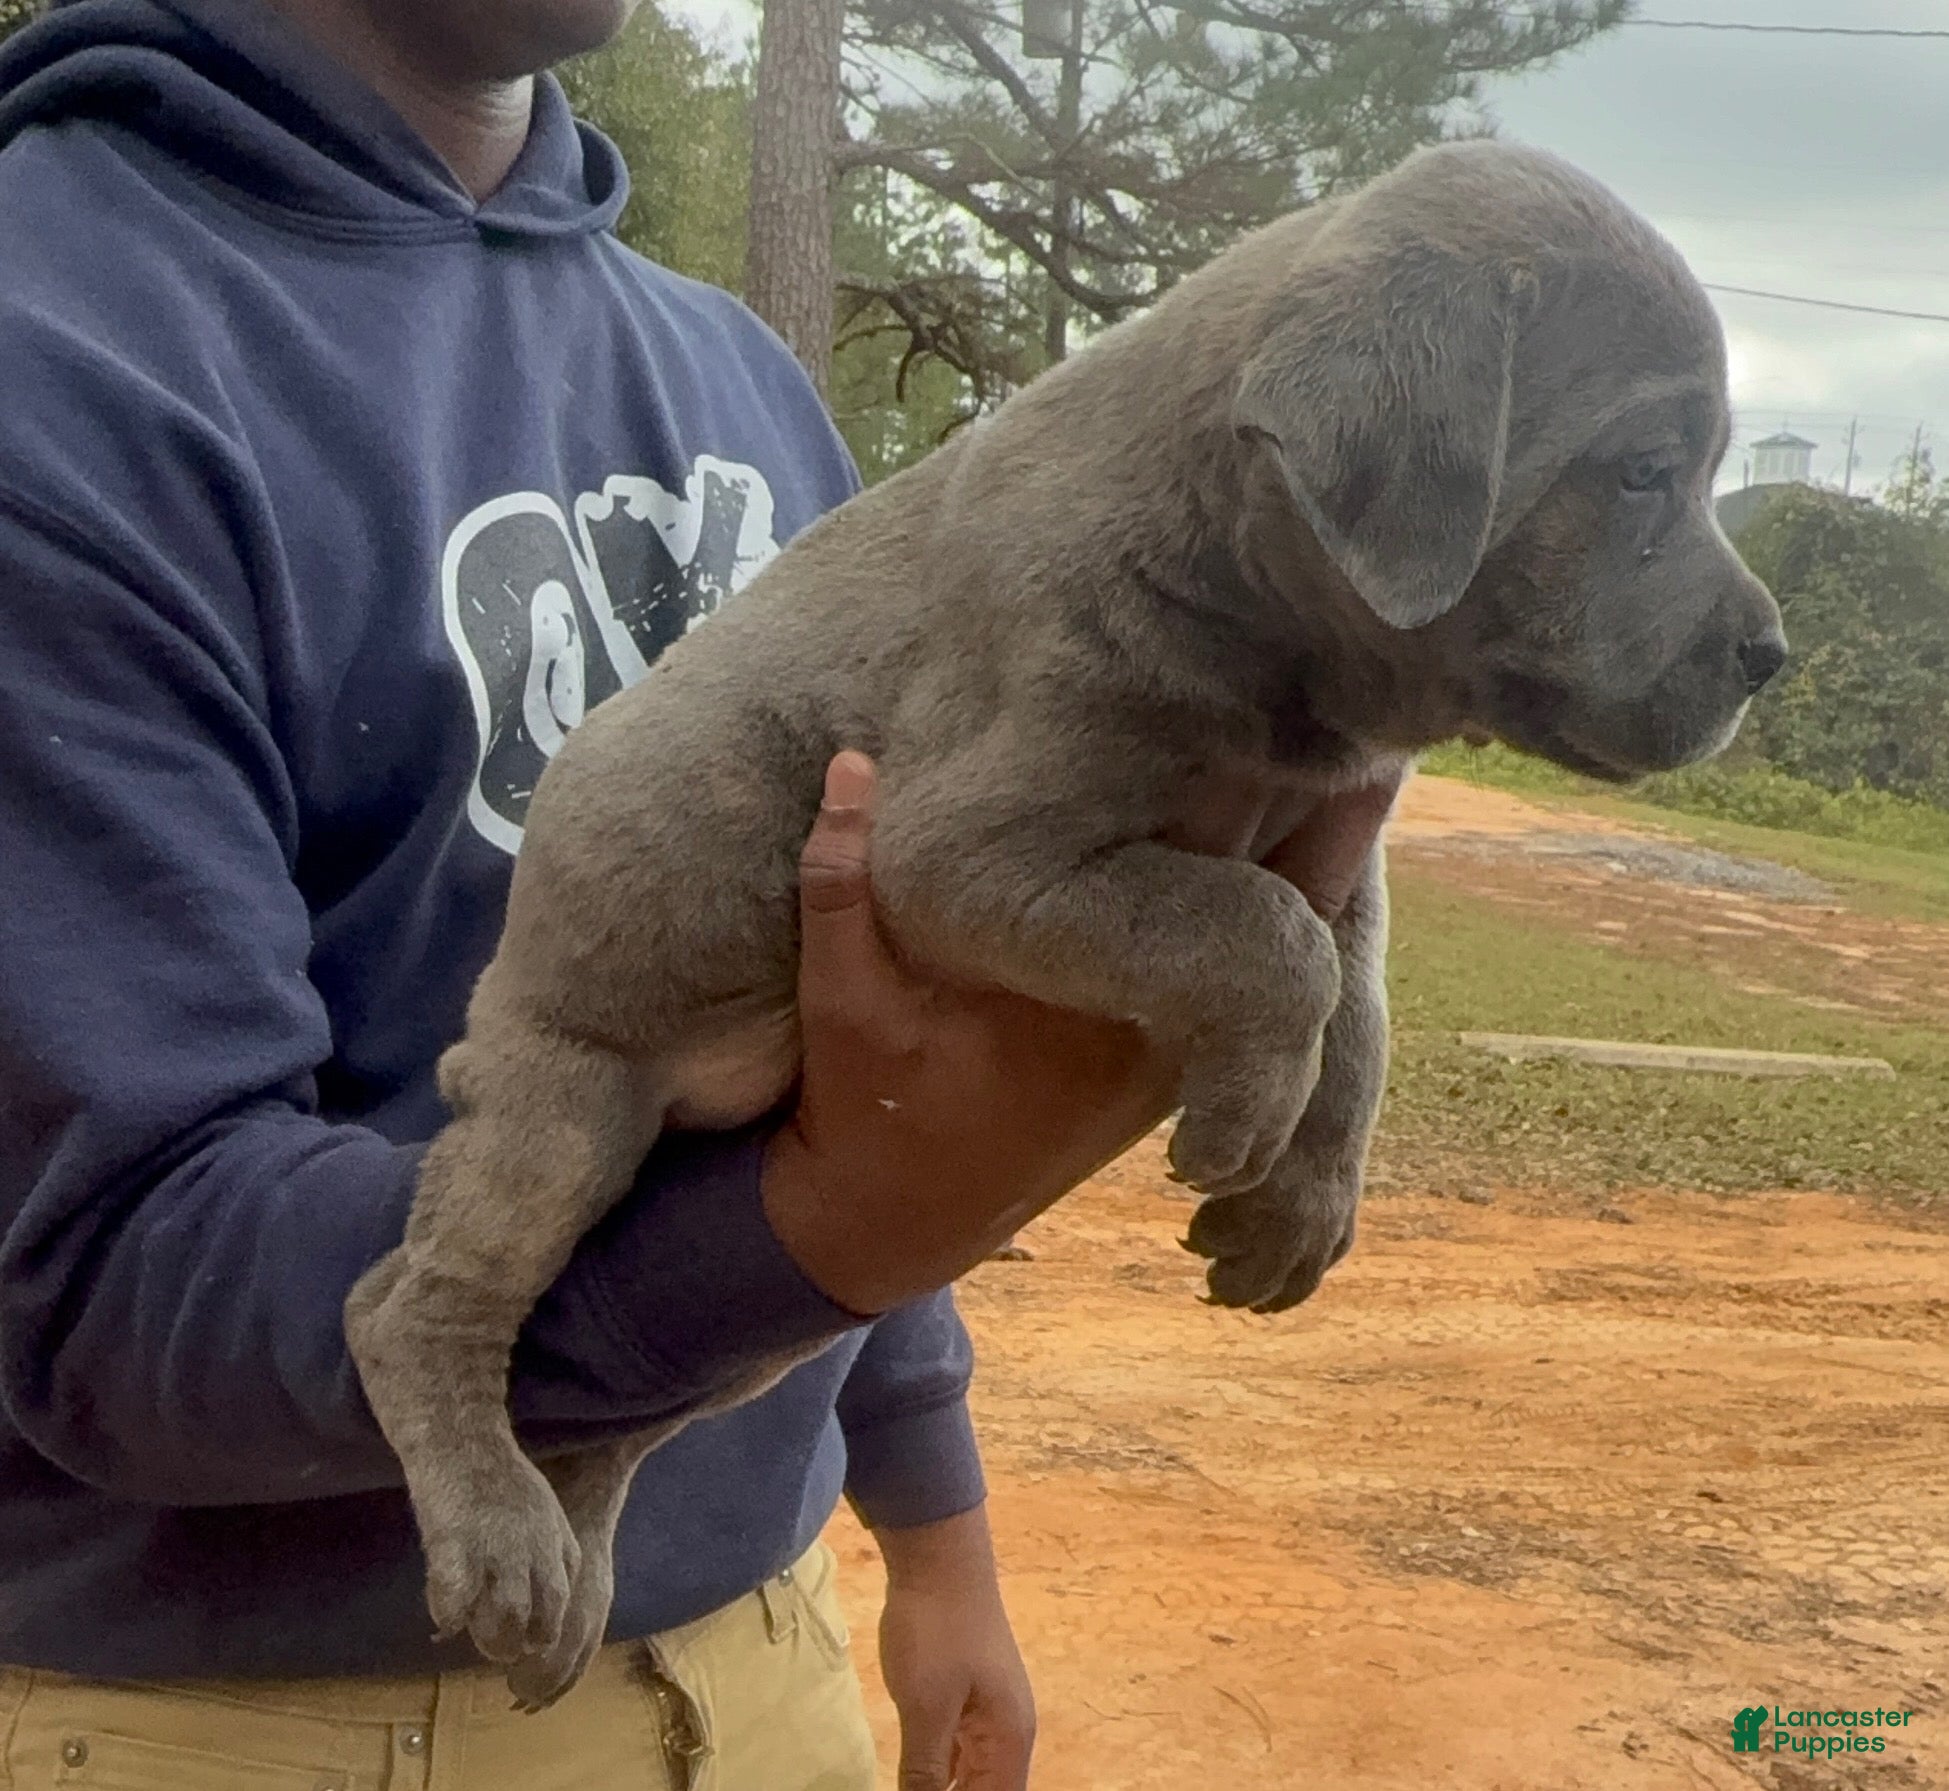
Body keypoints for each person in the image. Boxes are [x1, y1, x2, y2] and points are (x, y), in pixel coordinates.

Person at [0, 0, 1396, 1785]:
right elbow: (112, 1289)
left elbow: (859, 1036)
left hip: (763, 1650)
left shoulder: (727, 373)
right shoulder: (57, 347)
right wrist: (832, 1225)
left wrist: (932, 1526)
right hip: (228, 1720)